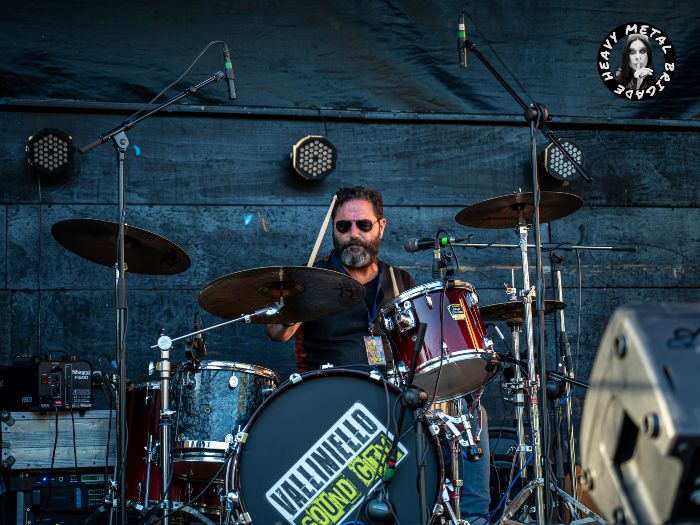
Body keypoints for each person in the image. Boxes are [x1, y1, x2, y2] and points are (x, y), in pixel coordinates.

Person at [267, 186, 491, 522]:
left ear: (381, 227)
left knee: (469, 409)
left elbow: (419, 350)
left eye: (363, 225)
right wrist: (297, 302)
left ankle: (473, 518)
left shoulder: (400, 281)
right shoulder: (311, 278)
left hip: (393, 394)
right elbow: (277, 333)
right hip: (331, 393)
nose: (353, 235)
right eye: (343, 227)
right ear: (333, 230)